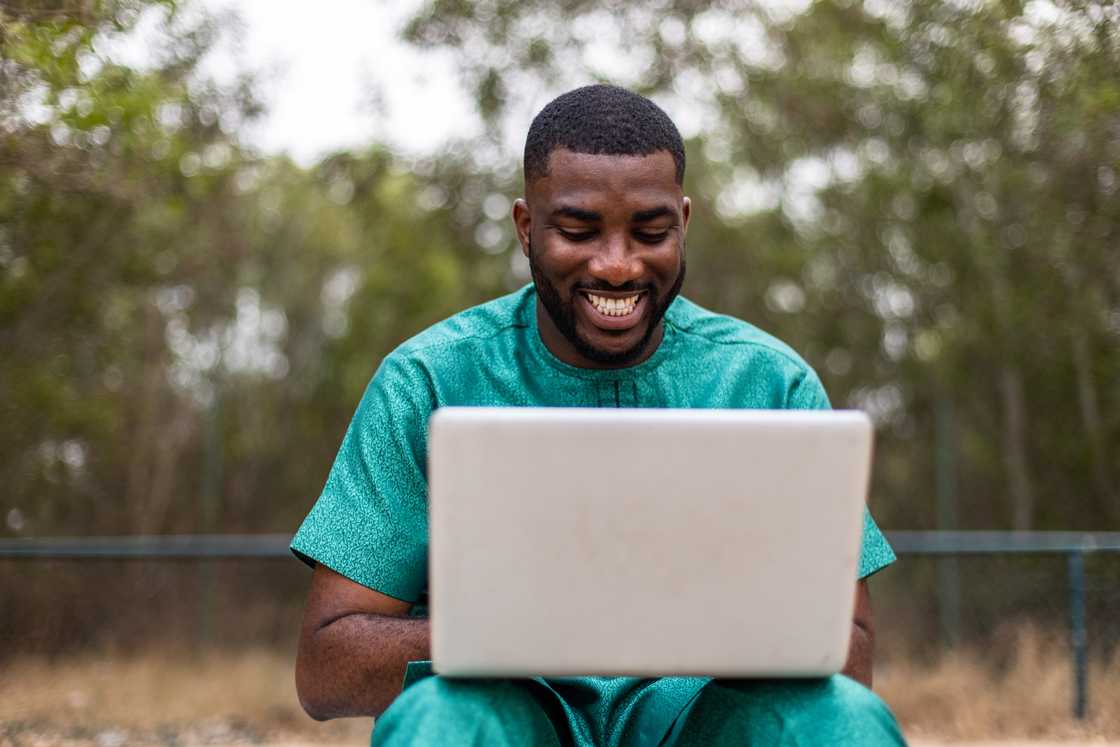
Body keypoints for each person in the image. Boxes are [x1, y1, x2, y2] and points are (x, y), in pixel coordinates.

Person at [292, 84, 907, 746]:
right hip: (513, 717)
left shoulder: (770, 384)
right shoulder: (429, 381)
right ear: (526, 227)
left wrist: (690, 627)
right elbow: (327, 668)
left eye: (650, 231)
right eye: (578, 230)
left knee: (844, 721)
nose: (617, 266)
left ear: (683, 222)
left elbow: (850, 654)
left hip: (703, 721)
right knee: (441, 721)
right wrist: (526, 632)